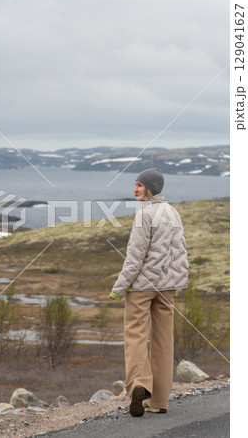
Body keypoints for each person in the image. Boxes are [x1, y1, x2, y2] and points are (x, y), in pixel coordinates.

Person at [109, 168, 188, 417]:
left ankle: (139, 383)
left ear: (150, 189)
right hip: (166, 288)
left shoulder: (144, 214)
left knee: (135, 335)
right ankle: (159, 402)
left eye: (140, 185)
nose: (135, 189)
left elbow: (134, 258)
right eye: (135, 184)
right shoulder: (172, 212)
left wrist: (119, 289)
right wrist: (175, 284)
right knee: (164, 342)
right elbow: (180, 252)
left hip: (142, 287)